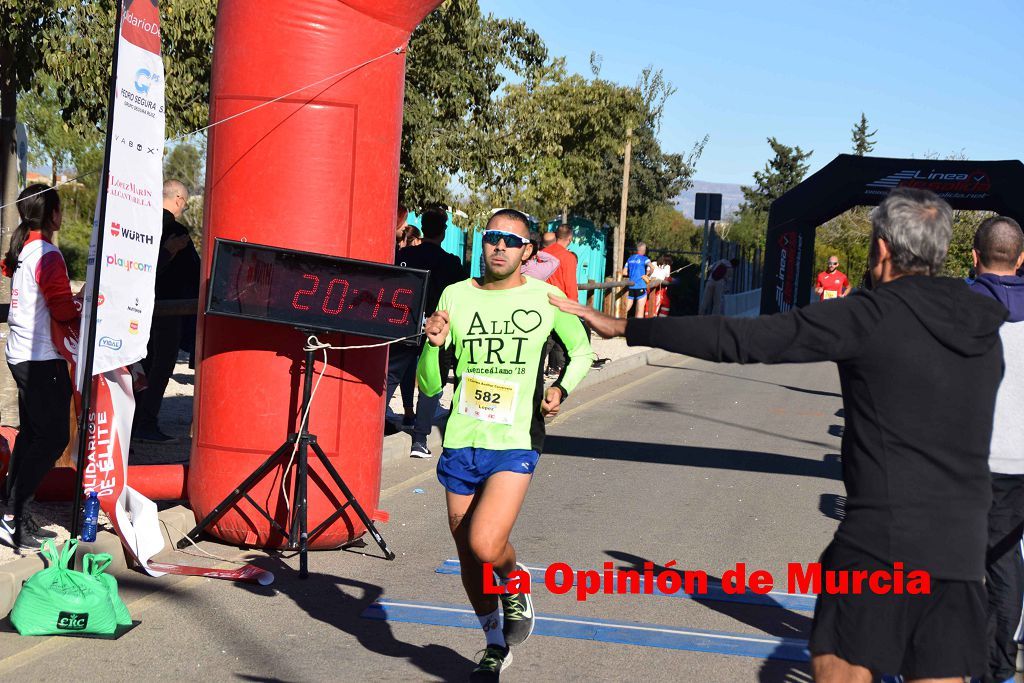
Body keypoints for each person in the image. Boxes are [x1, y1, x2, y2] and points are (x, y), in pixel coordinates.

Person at [550, 188, 1006, 683]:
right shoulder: (983, 327)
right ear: (941, 252)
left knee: (837, 667)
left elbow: (745, 340)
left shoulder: (870, 316)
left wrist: (627, 328)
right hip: (961, 546)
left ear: (881, 250)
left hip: (881, 540)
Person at [418, 209, 592, 679]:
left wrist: (560, 390)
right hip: (462, 439)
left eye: (511, 241)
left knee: (486, 541)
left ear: (527, 251)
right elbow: (430, 385)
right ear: (482, 244)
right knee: (467, 555)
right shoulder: (455, 295)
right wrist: (432, 346)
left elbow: (582, 350)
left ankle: (517, 582)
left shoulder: (544, 296)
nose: (500, 247)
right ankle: (494, 642)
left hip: (515, 439)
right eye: (492, 238)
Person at [1, 185, 78, 550]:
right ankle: (13, 514)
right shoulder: (46, 253)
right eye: (59, 209)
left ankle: (14, 510)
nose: (62, 215)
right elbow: (62, 309)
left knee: (32, 435)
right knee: (52, 438)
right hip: (40, 356)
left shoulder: (23, 249)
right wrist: (84, 306)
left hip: (22, 353)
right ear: (51, 215)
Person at [966, 216, 1024, 683]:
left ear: (974, 256)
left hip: (968, 457)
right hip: (1020, 461)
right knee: (1004, 561)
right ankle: (997, 665)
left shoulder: (959, 307)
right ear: (1021, 258)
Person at [389, 207, 469, 457]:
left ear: (422, 227)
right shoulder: (451, 263)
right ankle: (420, 440)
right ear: (443, 232)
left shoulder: (406, 255)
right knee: (431, 382)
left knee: (391, 376)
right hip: (438, 329)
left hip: (404, 323)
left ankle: (375, 425)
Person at [133, 179, 200, 444]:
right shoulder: (176, 231)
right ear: (180, 200)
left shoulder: (141, 224)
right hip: (169, 310)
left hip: (141, 307)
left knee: (144, 365)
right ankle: (146, 423)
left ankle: (136, 420)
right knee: (160, 368)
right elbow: (192, 271)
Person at [541, 225, 579, 377]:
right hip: (560, 302)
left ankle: (547, 368)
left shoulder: (542, 253)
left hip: (542, 300)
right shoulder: (568, 257)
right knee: (556, 338)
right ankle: (555, 368)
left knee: (546, 337)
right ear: (570, 239)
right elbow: (570, 284)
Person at [622, 243, 652, 318]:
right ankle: (638, 328)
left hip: (631, 286)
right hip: (640, 285)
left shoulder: (630, 258)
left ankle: (618, 321)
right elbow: (652, 267)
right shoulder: (645, 259)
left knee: (625, 309)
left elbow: (624, 272)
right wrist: (647, 275)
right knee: (640, 310)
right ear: (644, 251)